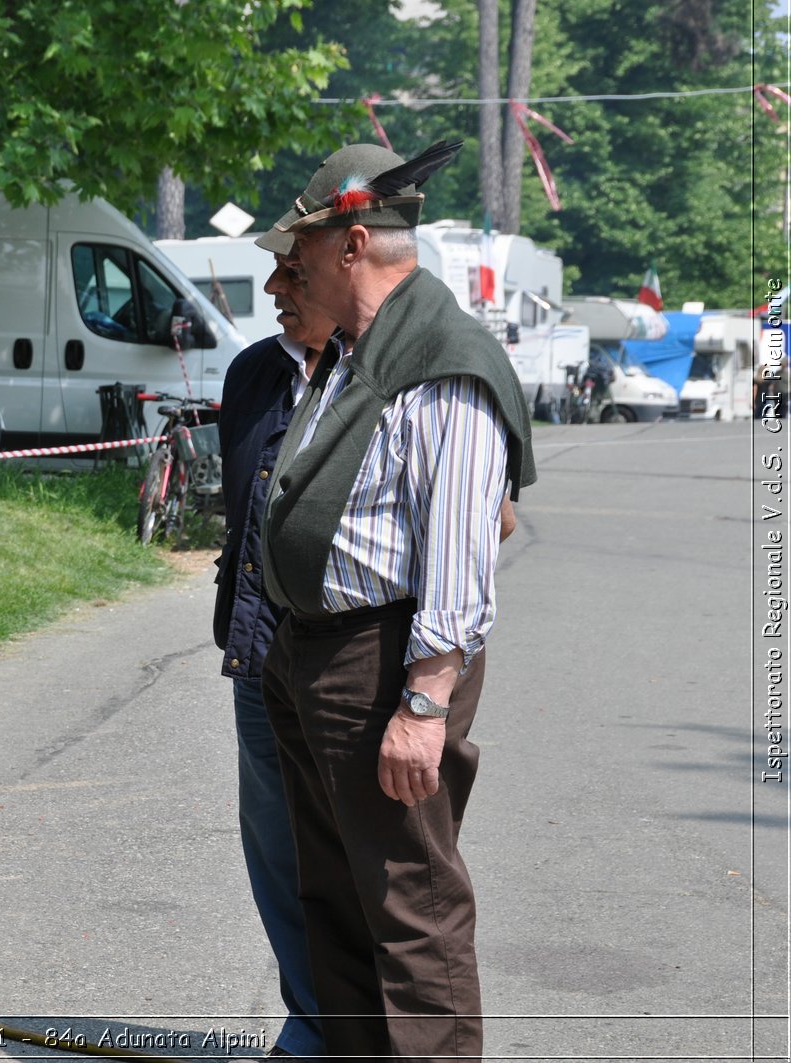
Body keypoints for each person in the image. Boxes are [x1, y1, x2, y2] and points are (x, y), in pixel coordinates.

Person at [255, 141, 536, 1063]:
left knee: (411, 908)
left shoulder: (445, 359)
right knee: (335, 898)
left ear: (354, 243)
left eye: (303, 249)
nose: (288, 271)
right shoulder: (358, 352)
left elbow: (461, 556)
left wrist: (423, 703)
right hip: (320, 657)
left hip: (384, 664)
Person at [213, 235, 333, 1061]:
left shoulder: (390, 373)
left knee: (359, 853)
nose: (272, 287)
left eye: (292, 273)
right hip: (258, 656)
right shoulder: (252, 372)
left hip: (351, 663)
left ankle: (370, 1025)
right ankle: (312, 1017)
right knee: (277, 844)